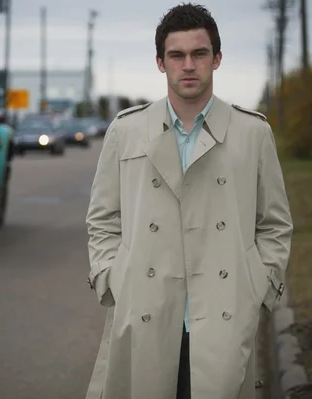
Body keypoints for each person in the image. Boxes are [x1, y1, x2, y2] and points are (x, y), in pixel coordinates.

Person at [84, 3, 293, 399]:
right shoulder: (127, 131)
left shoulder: (252, 133)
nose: (189, 65)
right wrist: (112, 278)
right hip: (146, 307)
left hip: (224, 309)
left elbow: (274, 223)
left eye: (199, 54)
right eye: (176, 55)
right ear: (161, 63)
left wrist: (259, 286)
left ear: (217, 58)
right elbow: (103, 218)